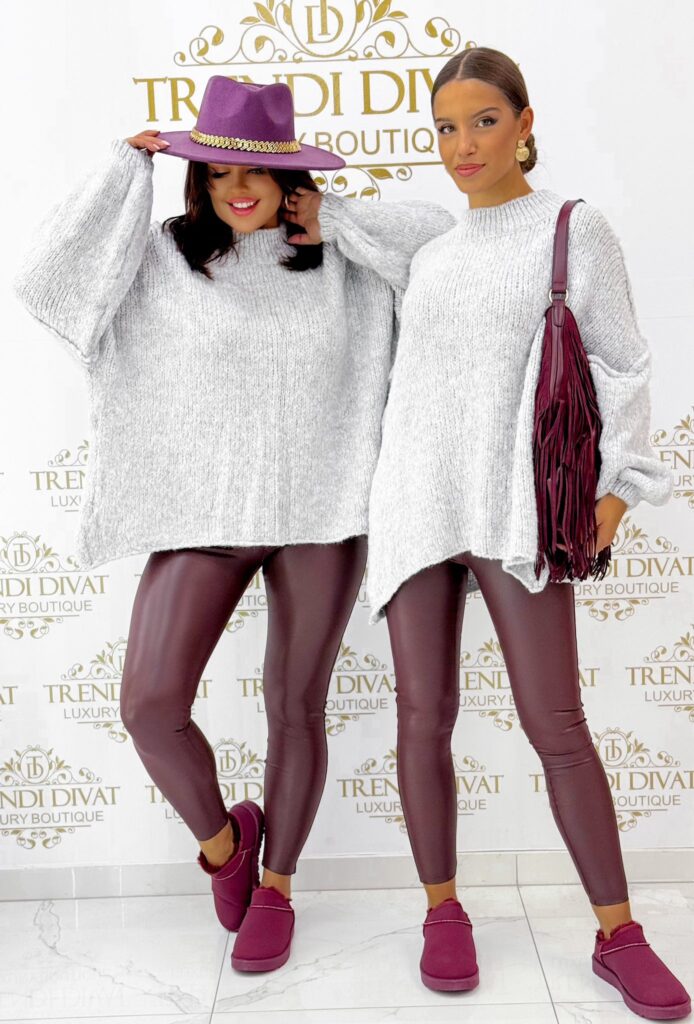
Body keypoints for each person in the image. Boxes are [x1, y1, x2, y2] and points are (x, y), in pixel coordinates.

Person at [12, 75, 455, 975]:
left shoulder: (339, 259)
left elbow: (442, 246)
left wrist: (335, 218)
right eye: (218, 170)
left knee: (294, 706)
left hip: (322, 512)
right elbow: (46, 282)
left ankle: (278, 887)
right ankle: (227, 847)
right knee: (148, 705)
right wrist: (121, 170)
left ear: (290, 175)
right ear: (199, 177)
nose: (238, 187)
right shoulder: (160, 258)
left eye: (258, 170)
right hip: (201, 513)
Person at [285, 47, 691, 1020]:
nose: (461, 145)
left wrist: (619, 489)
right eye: (444, 128)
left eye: (482, 121)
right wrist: (295, 197)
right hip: (417, 503)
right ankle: (442, 910)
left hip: (516, 507)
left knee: (556, 722)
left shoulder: (571, 229)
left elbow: (623, 363)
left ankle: (618, 933)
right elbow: (352, 228)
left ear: (523, 123)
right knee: (422, 716)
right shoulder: (432, 248)